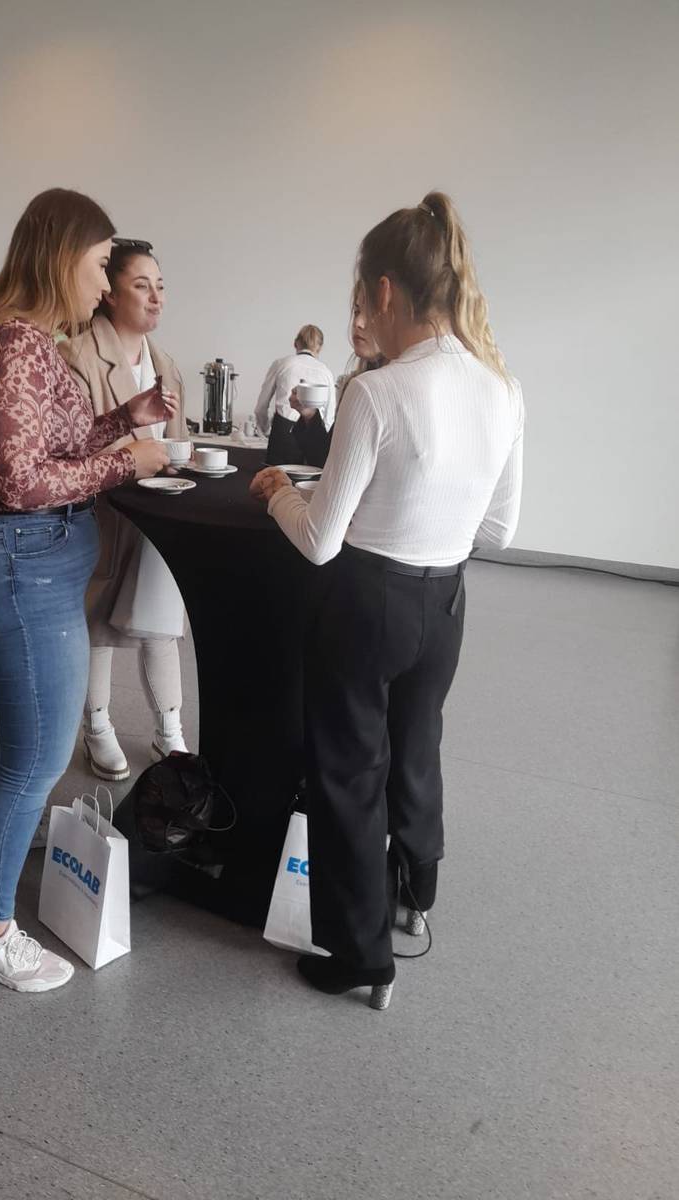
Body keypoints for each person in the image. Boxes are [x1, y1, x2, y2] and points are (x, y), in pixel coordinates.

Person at [251, 192, 524, 1010]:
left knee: (347, 771)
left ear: (383, 290)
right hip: (446, 604)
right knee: (418, 743)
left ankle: (359, 955)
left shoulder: (377, 394)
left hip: (367, 602)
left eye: (362, 299)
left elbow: (319, 539)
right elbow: (501, 528)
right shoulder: (503, 387)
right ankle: (418, 888)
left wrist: (276, 491)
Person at [0, 188, 174, 993]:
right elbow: (18, 480)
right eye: (103, 264)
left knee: (32, 749)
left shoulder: (24, 339)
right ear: (62, 256)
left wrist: (121, 419)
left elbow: (49, 445)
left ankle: (6, 865)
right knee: (34, 759)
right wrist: (124, 462)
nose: (107, 283)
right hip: (21, 562)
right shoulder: (14, 343)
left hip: (26, 559)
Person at [59, 238, 188, 781]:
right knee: (97, 620)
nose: (156, 297)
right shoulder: (77, 356)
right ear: (110, 292)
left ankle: (170, 730)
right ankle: (98, 725)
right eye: (142, 285)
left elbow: (176, 444)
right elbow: (67, 449)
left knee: (161, 618)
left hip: (157, 517)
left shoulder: (166, 365)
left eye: (160, 286)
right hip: (101, 514)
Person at [290, 297, 385, 468]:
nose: (357, 322)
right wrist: (309, 414)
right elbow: (326, 458)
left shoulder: (380, 388)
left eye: (371, 313)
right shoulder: (353, 383)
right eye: (356, 311)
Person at [254, 325, 337, 464]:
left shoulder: (281, 364)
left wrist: (266, 431)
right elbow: (329, 417)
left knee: (275, 477)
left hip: (283, 433)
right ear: (319, 348)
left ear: (295, 343)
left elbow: (261, 406)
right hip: (314, 437)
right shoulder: (326, 372)